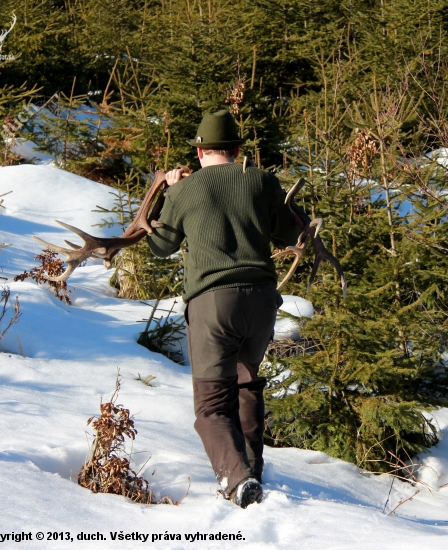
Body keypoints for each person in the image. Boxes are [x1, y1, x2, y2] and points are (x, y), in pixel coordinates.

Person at [147, 110, 299, 508]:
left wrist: (168, 191)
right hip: (263, 302)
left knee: (212, 407)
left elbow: (159, 246)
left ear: (199, 151)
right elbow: (292, 230)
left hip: (214, 304)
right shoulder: (262, 181)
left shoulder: (186, 190)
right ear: (236, 150)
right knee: (246, 383)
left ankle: (237, 480)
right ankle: (252, 469)